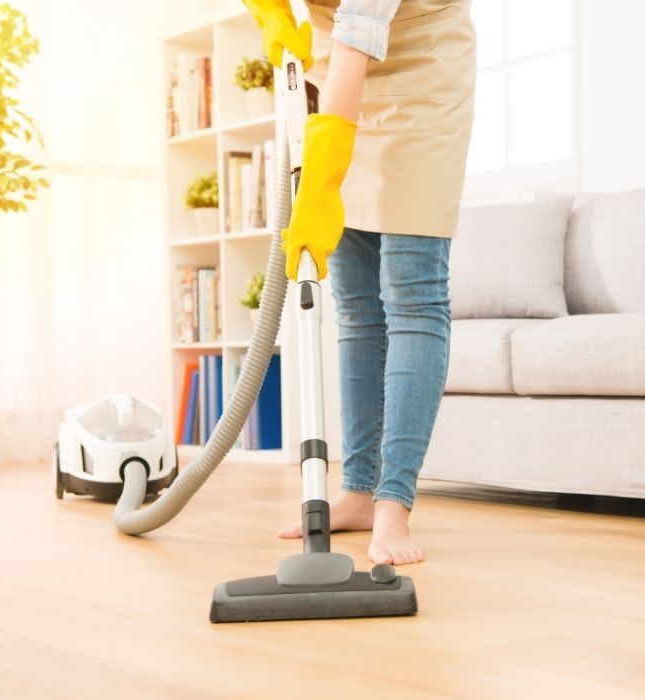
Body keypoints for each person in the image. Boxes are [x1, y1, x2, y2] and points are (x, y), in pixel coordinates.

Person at [243, 0, 476, 565]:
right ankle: (359, 491)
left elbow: (358, 34)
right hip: (333, 65)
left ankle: (393, 504)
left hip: (423, 65)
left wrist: (321, 184)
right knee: (355, 307)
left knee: (413, 294)